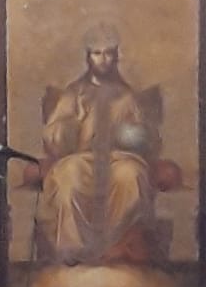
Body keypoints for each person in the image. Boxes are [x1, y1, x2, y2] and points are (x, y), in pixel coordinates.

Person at [39, 23, 162, 267]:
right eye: (97, 53)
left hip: (118, 158)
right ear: (88, 57)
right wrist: (70, 126)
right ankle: (73, 250)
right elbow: (53, 132)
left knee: (131, 175)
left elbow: (147, 138)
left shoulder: (126, 96)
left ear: (116, 57)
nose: (103, 59)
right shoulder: (74, 93)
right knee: (68, 176)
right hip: (82, 157)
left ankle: (115, 247)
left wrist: (133, 135)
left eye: (108, 53)